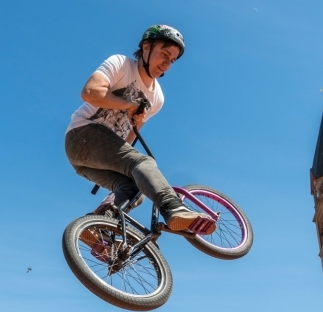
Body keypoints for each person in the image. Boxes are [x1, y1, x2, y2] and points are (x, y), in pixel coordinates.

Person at [65, 24, 216, 235]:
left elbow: (127, 140)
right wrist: (127, 104)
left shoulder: (157, 98)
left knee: (136, 189)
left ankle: (97, 229)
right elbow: (90, 92)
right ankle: (174, 208)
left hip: (90, 161)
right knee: (144, 162)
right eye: (164, 54)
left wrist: (135, 120)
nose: (167, 64)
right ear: (146, 48)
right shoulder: (121, 64)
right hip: (82, 135)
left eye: (172, 60)